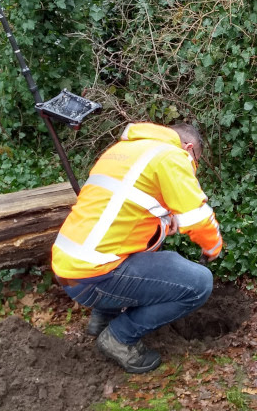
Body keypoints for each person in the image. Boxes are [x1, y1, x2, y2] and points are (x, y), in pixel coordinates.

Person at [51, 122, 222, 373]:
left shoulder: (125, 150)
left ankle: (103, 318)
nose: (193, 168)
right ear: (188, 148)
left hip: (70, 268)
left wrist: (164, 224)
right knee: (200, 284)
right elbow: (197, 219)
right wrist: (213, 247)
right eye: (195, 161)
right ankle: (120, 337)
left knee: (148, 251)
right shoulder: (172, 156)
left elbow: (121, 215)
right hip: (96, 276)